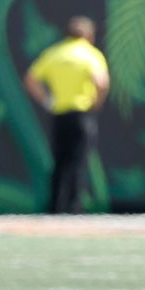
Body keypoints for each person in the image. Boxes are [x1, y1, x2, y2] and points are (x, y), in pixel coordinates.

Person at [24, 16, 110, 214]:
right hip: (81, 115)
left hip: (59, 114)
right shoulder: (90, 54)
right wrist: (96, 103)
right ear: (89, 35)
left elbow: (30, 79)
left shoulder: (55, 53)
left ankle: (55, 207)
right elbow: (101, 82)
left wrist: (47, 100)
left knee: (59, 162)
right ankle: (73, 208)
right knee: (78, 161)